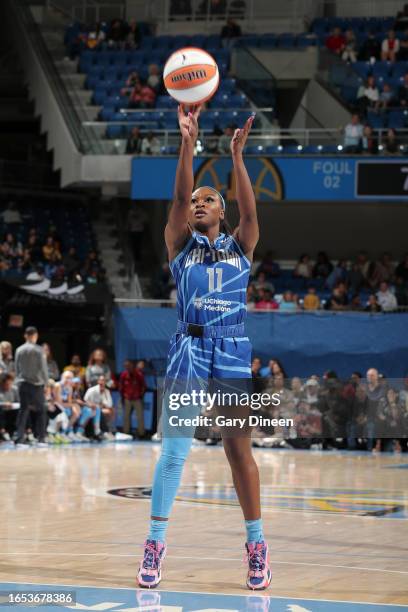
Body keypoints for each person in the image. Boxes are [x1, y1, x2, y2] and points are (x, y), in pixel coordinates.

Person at [137, 106, 271, 591]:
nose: (197, 202)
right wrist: (187, 143)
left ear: (221, 210)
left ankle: (256, 547)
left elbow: (252, 212)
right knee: (174, 454)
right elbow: (176, 195)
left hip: (233, 349)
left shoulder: (242, 245)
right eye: (195, 199)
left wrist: (237, 156)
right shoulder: (179, 243)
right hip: (188, 351)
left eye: (208, 199)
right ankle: (154, 545)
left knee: (239, 453)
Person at [14, 326, 48, 445]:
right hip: (36, 385)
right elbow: (43, 368)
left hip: (22, 383)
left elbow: (16, 368)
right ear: (35, 335)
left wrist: (18, 381)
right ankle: (41, 438)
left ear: (25, 335)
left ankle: (19, 439)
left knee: (23, 411)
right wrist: (47, 383)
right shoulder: (39, 350)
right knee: (41, 411)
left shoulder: (19, 349)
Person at [80, 375, 114, 441]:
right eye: (100, 380)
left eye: (103, 380)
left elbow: (109, 405)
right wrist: (93, 405)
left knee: (110, 410)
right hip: (88, 408)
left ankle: (107, 430)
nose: (102, 382)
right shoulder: (92, 390)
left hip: (98, 408)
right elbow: (85, 400)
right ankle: (103, 431)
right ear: (98, 381)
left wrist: (102, 404)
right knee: (98, 410)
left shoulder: (106, 391)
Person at [118, 359, 146, 437]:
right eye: (126, 366)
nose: (128, 367)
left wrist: (140, 395)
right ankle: (126, 433)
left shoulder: (139, 374)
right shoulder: (123, 375)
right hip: (127, 398)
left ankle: (141, 434)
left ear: (132, 365)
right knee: (126, 416)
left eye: (129, 365)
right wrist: (123, 396)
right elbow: (121, 387)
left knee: (140, 416)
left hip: (137, 398)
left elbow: (143, 386)